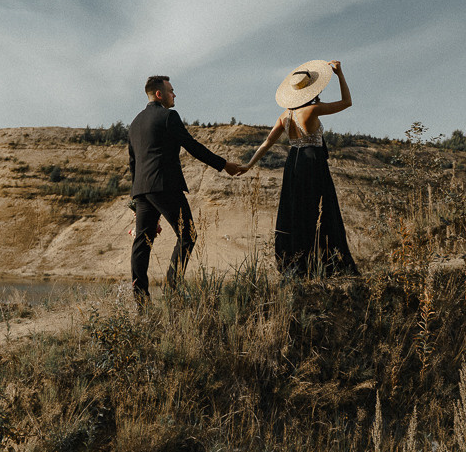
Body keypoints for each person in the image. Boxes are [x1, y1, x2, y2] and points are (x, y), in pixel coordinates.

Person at [128, 75, 244, 302]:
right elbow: (192, 146)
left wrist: (136, 197)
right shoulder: (169, 116)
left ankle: (141, 300)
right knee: (188, 235)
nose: (174, 94)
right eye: (171, 91)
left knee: (141, 243)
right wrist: (223, 165)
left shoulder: (134, 123)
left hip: (142, 189)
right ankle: (173, 288)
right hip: (165, 186)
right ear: (159, 94)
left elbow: (133, 163)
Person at [243, 59, 357, 276]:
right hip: (312, 162)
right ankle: (329, 264)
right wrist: (340, 74)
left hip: (293, 163)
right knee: (321, 209)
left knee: (296, 211)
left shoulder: (285, 115)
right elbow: (347, 102)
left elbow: (267, 142)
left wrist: (249, 164)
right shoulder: (312, 109)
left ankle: (297, 264)